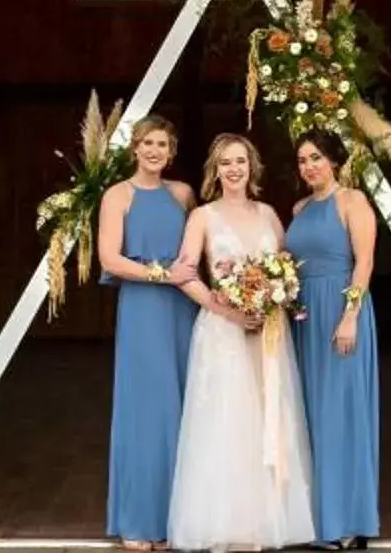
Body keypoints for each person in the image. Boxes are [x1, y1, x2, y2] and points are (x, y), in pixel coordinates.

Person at [163, 132, 316, 551]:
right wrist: (228, 309)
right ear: (215, 170)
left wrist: (273, 298)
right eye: (226, 163)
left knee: (269, 415)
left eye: (241, 162)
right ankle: (226, 524)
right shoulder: (203, 217)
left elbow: (286, 268)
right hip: (223, 332)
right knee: (228, 423)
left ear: (252, 167)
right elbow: (185, 273)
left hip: (268, 333)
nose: (234, 169)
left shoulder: (268, 214)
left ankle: (267, 521)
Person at [97, 116, 197, 550]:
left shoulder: (183, 194)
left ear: (171, 152)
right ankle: (138, 521)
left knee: (184, 407)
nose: (155, 150)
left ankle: (178, 520)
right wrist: (161, 275)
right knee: (145, 411)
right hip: (143, 309)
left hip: (183, 309)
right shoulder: (118, 195)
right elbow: (111, 259)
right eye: (147, 143)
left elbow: (198, 250)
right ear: (134, 148)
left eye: (163, 144)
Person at [288, 130, 379, 549]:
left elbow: (364, 263)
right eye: (303, 159)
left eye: (317, 158)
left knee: (341, 414)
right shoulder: (299, 207)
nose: (309, 166)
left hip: (341, 311)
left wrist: (350, 315)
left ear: (335, 161)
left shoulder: (352, 201)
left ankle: (347, 521)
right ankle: (315, 517)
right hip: (305, 315)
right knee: (310, 414)